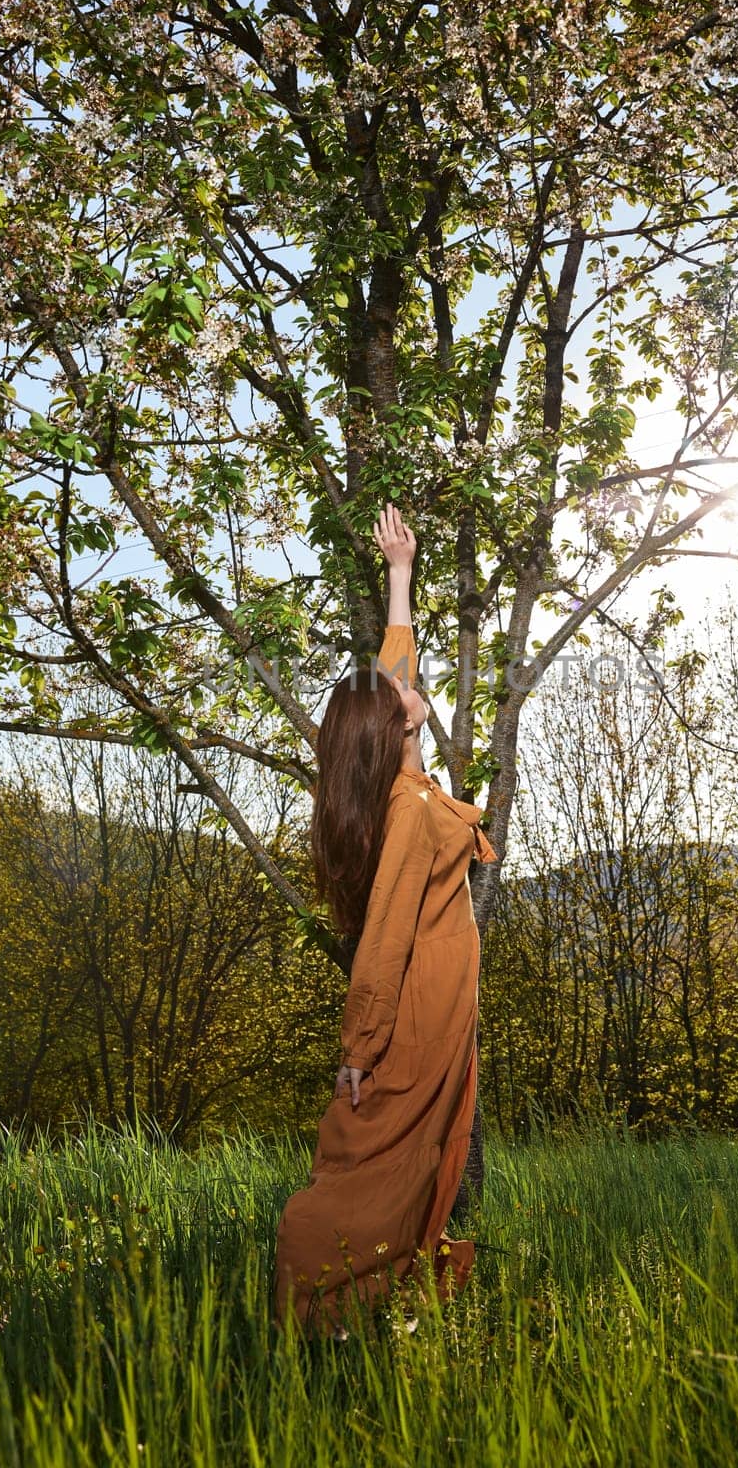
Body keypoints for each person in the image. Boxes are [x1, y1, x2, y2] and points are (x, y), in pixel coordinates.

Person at [272, 503, 499, 1340]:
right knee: (381, 1154)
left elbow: (389, 665)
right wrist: (358, 1051)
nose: (411, 684)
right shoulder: (404, 809)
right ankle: (324, 1293)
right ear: (398, 722)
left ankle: (383, 1293)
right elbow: (382, 944)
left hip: (443, 999)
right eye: (406, 693)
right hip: (417, 1008)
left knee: (426, 1152)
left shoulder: (397, 771)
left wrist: (400, 572)